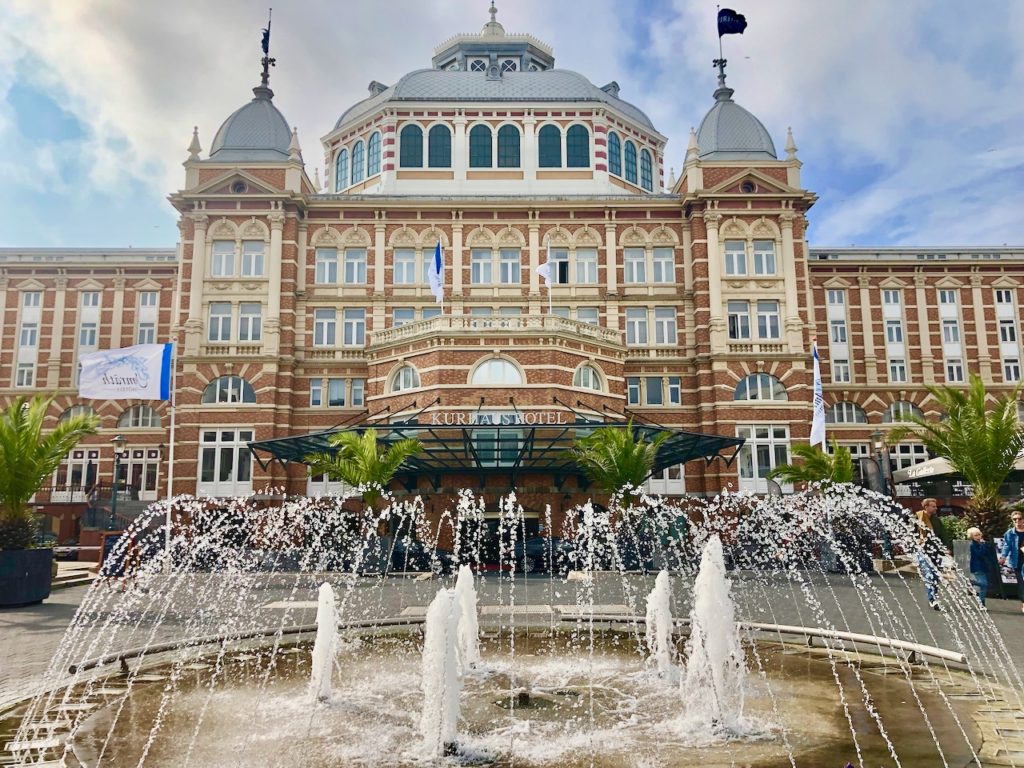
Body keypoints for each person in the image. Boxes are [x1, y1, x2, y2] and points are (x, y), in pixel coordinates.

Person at [915, 498, 945, 610]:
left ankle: (934, 596)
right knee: (929, 575)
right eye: (933, 506)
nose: (935, 508)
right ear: (926, 507)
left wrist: (946, 548)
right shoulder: (917, 517)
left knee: (936, 577)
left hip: (935, 552)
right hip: (922, 551)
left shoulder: (937, 521)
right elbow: (910, 533)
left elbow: (942, 534)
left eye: (935, 506)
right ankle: (932, 599)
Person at [998, 511, 1024, 614]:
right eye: (1015, 519)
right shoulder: (1010, 533)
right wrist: (1003, 556)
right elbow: (1007, 546)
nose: (1018, 521)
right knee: (1021, 583)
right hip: (1017, 561)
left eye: (1020, 518)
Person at [967, 527, 998, 609]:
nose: (978, 537)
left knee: (983, 587)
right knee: (984, 584)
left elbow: (989, 553)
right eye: (975, 535)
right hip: (977, 566)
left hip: (985, 566)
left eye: (979, 535)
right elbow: (979, 554)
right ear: (972, 537)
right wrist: (983, 545)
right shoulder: (973, 545)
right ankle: (971, 582)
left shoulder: (983, 544)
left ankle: (982, 603)